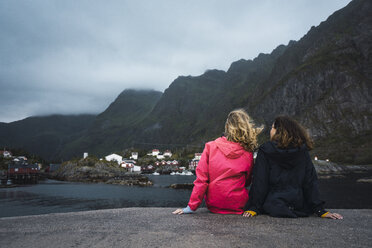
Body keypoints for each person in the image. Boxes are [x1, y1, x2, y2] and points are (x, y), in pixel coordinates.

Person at [243, 116, 343, 219]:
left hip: (273, 205)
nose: (271, 131)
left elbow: (260, 181)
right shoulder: (302, 151)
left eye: (273, 128)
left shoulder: (265, 150)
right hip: (299, 205)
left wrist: (254, 207)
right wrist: (320, 210)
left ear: (279, 131)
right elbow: (310, 181)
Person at [173, 109, 262, 215]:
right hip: (239, 204)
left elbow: (201, 180)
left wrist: (191, 207)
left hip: (215, 204)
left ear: (227, 127)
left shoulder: (210, 146)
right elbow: (247, 181)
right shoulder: (248, 152)